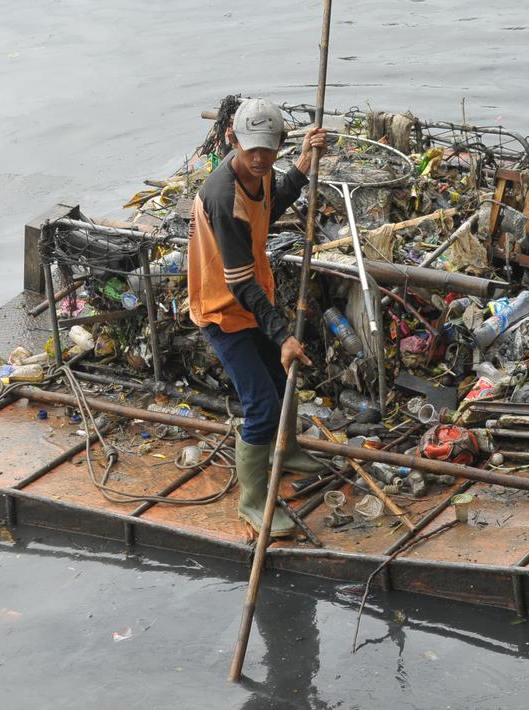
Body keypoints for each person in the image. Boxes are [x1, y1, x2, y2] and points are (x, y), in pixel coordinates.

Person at [187, 97, 328, 537]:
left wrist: (303, 165)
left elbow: (272, 205)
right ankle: (252, 501)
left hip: (251, 302)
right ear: (232, 140)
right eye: (253, 150)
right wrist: (283, 333)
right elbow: (240, 285)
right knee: (261, 405)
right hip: (223, 311)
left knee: (283, 377)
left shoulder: (260, 174)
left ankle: (284, 452)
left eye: (270, 150)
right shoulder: (223, 195)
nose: (261, 159)